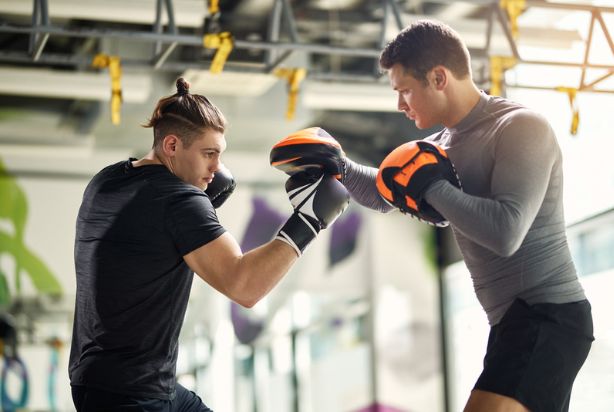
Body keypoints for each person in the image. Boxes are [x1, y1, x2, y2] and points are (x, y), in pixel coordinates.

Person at [269, 20, 593, 412]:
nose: (400, 105)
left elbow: (507, 232)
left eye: (405, 91)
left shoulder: (520, 128)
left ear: (439, 78)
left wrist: (432, 187)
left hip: (549, 315)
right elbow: (387, 193)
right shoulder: (439, 145)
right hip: (511, 322)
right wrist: (338, 166)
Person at [68, 78, 349, 411]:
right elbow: (244, 286)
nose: (217, 169)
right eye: (209, 154)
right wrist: (308, 222)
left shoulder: (107, 180)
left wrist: (202, 204)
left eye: (220, 155)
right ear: (171, 146)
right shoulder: (179, 201)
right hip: (133, 395)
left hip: (111, 381)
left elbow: (146, 237)